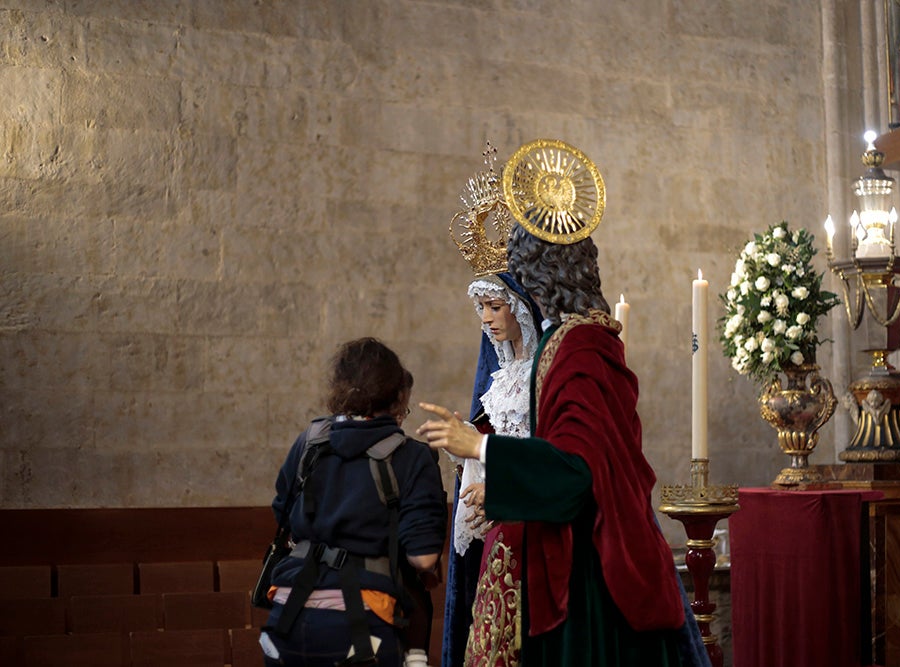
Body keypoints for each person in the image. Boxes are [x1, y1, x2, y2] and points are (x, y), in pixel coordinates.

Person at [419, 138, 709, 666]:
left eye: (522, 268)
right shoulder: (574, 340)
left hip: (589, 574)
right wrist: (501, 485)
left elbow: (575, 470)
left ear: (539, 272)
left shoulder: (579, 348)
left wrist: (481, 449)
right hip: (572, 546)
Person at [261, 337, 447, 667]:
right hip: (361, 627)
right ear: (398, 394)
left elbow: (283, 512)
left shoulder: (310, 441)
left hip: (285, 621)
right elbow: (423, 558)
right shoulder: (412, 455)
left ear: (339, 386)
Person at [459, 271, 543, 667]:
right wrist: (465, 443)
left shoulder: (542, 375)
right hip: (501, 521)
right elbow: (495, 435)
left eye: (495, 307)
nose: (487, 319)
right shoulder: (503, 377)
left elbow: (539, 452)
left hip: (533, 517)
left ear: (522, 308)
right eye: (482, 309)